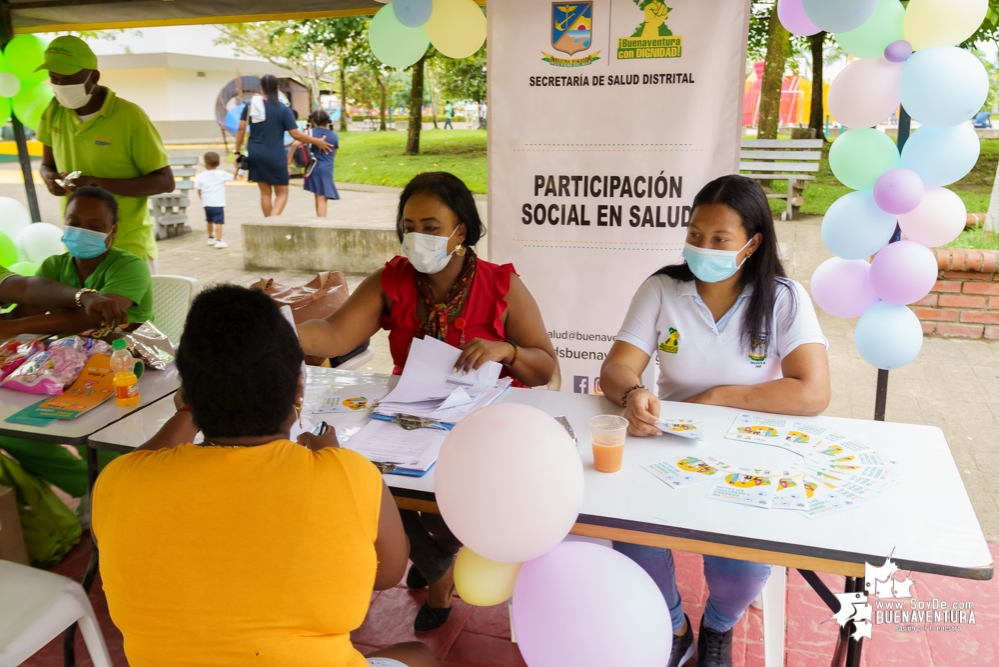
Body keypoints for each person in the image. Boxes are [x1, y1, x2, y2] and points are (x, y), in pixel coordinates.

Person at [91, 285, 436, 667]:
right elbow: (388, 574)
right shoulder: (348, 474)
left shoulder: (120, 480)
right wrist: (336, 461)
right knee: (418, 655)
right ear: (298, 388)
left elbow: (146, 461)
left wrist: (192, 405)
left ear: (186, 392)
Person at [298, 172, 557, 632]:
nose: (418, 237)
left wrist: (508, 351)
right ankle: (438, 571)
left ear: (462, 230)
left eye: (432, 227)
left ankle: (434, 558)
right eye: (409, 225)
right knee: (365, 475)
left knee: (461, 493)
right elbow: (335, 334)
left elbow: (544, 368)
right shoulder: (393, 280)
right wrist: (270, 328)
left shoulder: (500, 287)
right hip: (408, 416)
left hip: (484, 426)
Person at [599, 175, 830, 667]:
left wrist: (721, 396)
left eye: (720, 239)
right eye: (695, 235)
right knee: (631, 537)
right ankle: (675, 624)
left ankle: (718, 625)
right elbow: (616, 368)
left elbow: (813, 392)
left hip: (750, 450)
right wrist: (635, 392)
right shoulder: (663, 288)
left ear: (752, 243)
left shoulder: (783, 298)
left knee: (742, 569)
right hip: (666, 443)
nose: (703, 248)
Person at [0, 186, 154, 500]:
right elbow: (24, 309)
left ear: (113, 232)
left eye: (95, 226)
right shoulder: (53, 267)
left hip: (125, 368)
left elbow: (98, 318)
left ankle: (113, 490)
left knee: (102, 433)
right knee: (14, 432)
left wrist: (15, 326)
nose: (82, 231)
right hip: (63, 370)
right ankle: (87, 488)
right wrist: (14, 324)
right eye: (74, 222)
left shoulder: (130, 266)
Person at [36, 35, 175, 273]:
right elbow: (46, 164)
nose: (60, 86)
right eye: (54, 79)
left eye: (68, 80)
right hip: (78, 246)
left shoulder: (130, 117)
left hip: (126, 247)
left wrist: (98, 184)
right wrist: (49, 178)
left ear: (94, 76)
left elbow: (165, 181)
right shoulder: (53, 112)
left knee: (124, 311)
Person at [233, 74, 333, 217]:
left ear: (261, 88)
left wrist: (236, 152)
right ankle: (272, 223)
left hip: (256, 154)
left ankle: (268, 224)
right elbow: (296, 134)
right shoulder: (283, 109)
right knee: (282, 192)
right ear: (278, 88)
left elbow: (241, 129)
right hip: (275, 154)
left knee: (265, 193)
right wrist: (317, 141)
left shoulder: (250, 106)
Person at [0, 264, 128, 338]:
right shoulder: (55, 264)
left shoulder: (126, 265)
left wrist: (84, 296)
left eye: (95, 226)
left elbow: (24, 288)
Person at [288, 110, 340, 217]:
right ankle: (321, 224)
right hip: (327, 169)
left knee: (318, 196)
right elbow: (334, 153)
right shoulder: (334, 135)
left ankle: (319, 221)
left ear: (313, 120)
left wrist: (288, 164)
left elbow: (294, 145)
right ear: (328, 120)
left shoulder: (309, 133)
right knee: (322, 197)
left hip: (313, 168)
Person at [194, 151, 234, 249]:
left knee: (209, 221)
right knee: (218, 222)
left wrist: (201, 198)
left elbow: (199, 189)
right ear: (219, 163)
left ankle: (210, 238)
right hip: (218, 203)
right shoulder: (221, 174)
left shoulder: (201, 175)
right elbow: (232, 177)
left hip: (207, 203)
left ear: (205, 163)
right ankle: (219, 240)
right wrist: (237, 168)